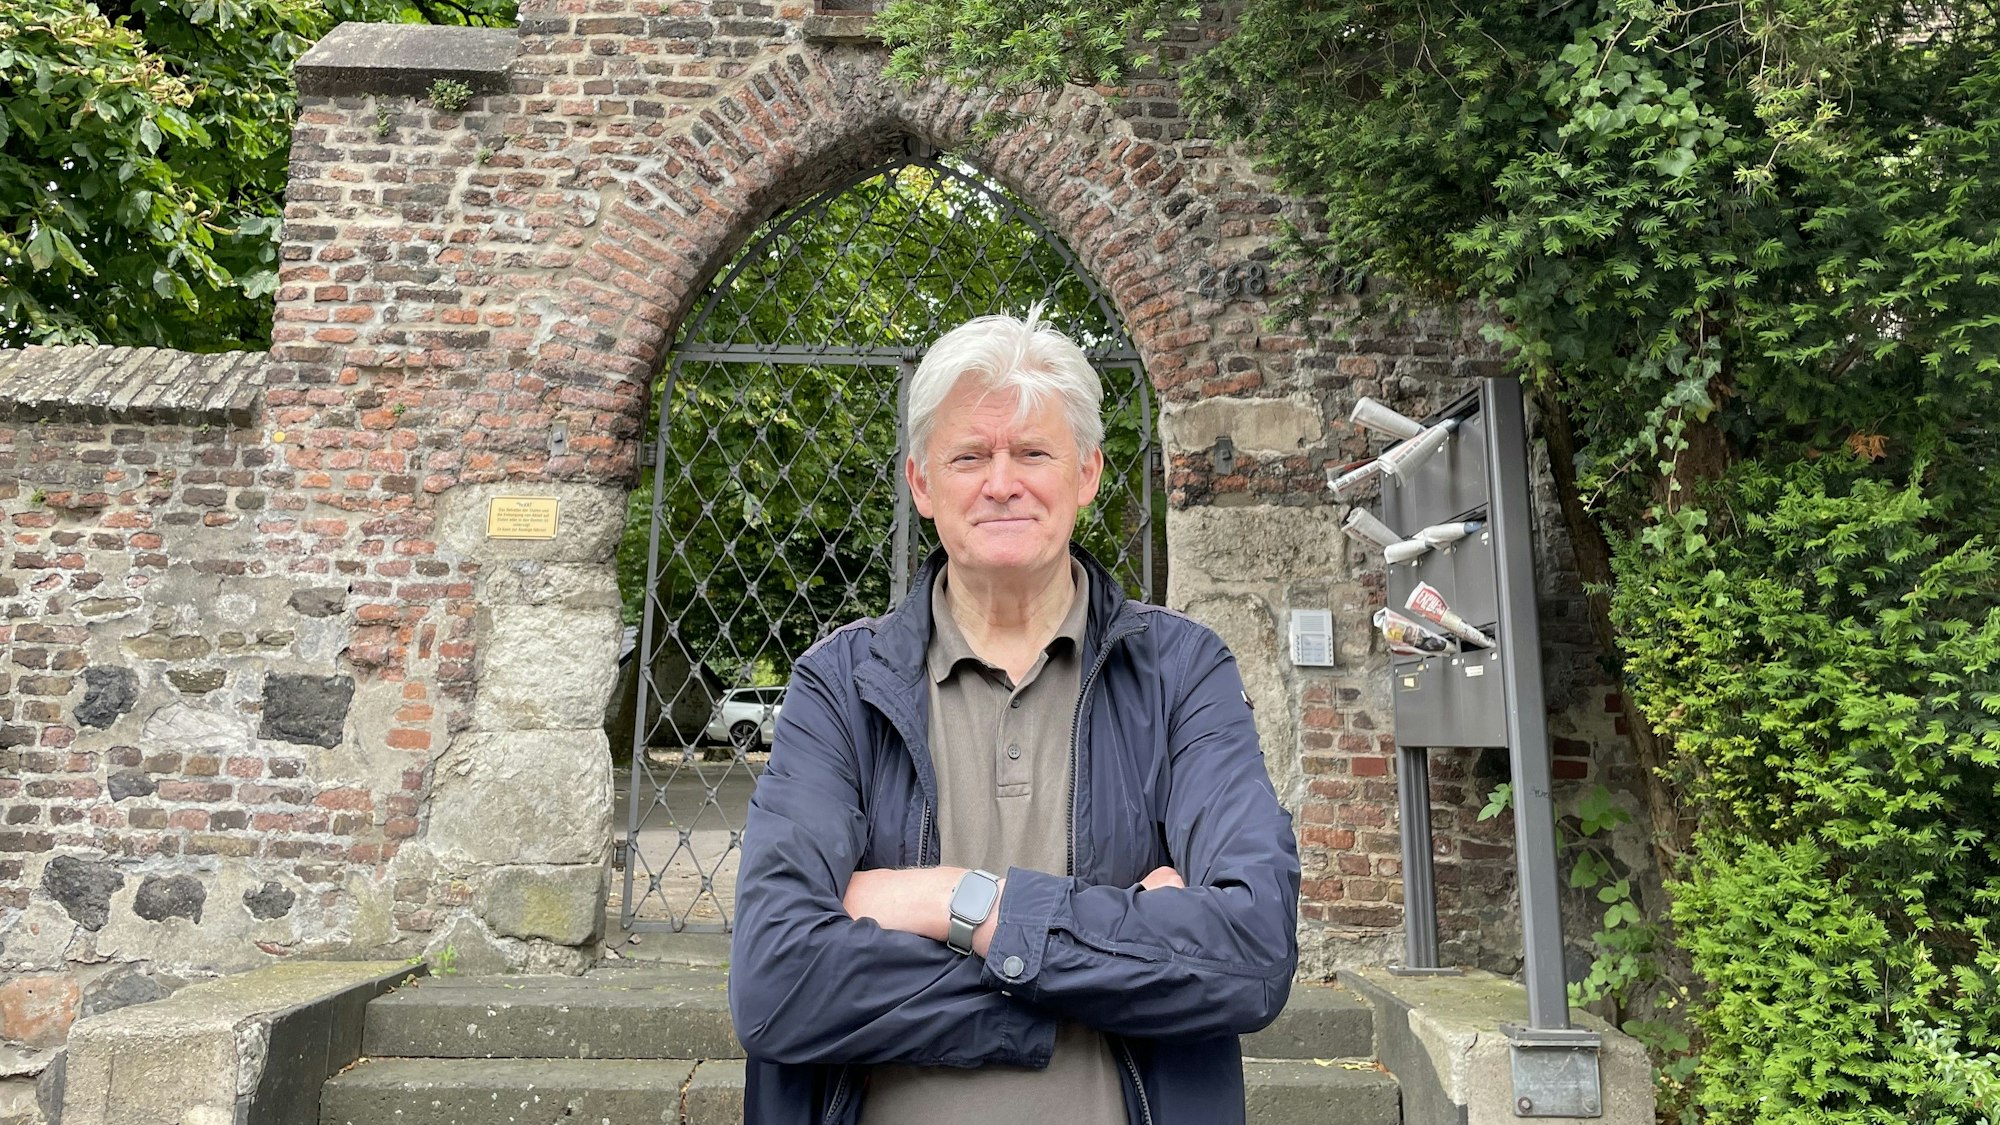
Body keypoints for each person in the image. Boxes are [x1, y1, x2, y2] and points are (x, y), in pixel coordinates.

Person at [728, 306, 1301, 1125]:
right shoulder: (841, 684)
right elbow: (776, 984)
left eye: (1034, 451)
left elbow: (1248, 955)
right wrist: (1114, 952)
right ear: (922, 483)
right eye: (970, 455)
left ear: (1088, 474)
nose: (1002, 481)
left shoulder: (1181, 671)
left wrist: (961, 903)